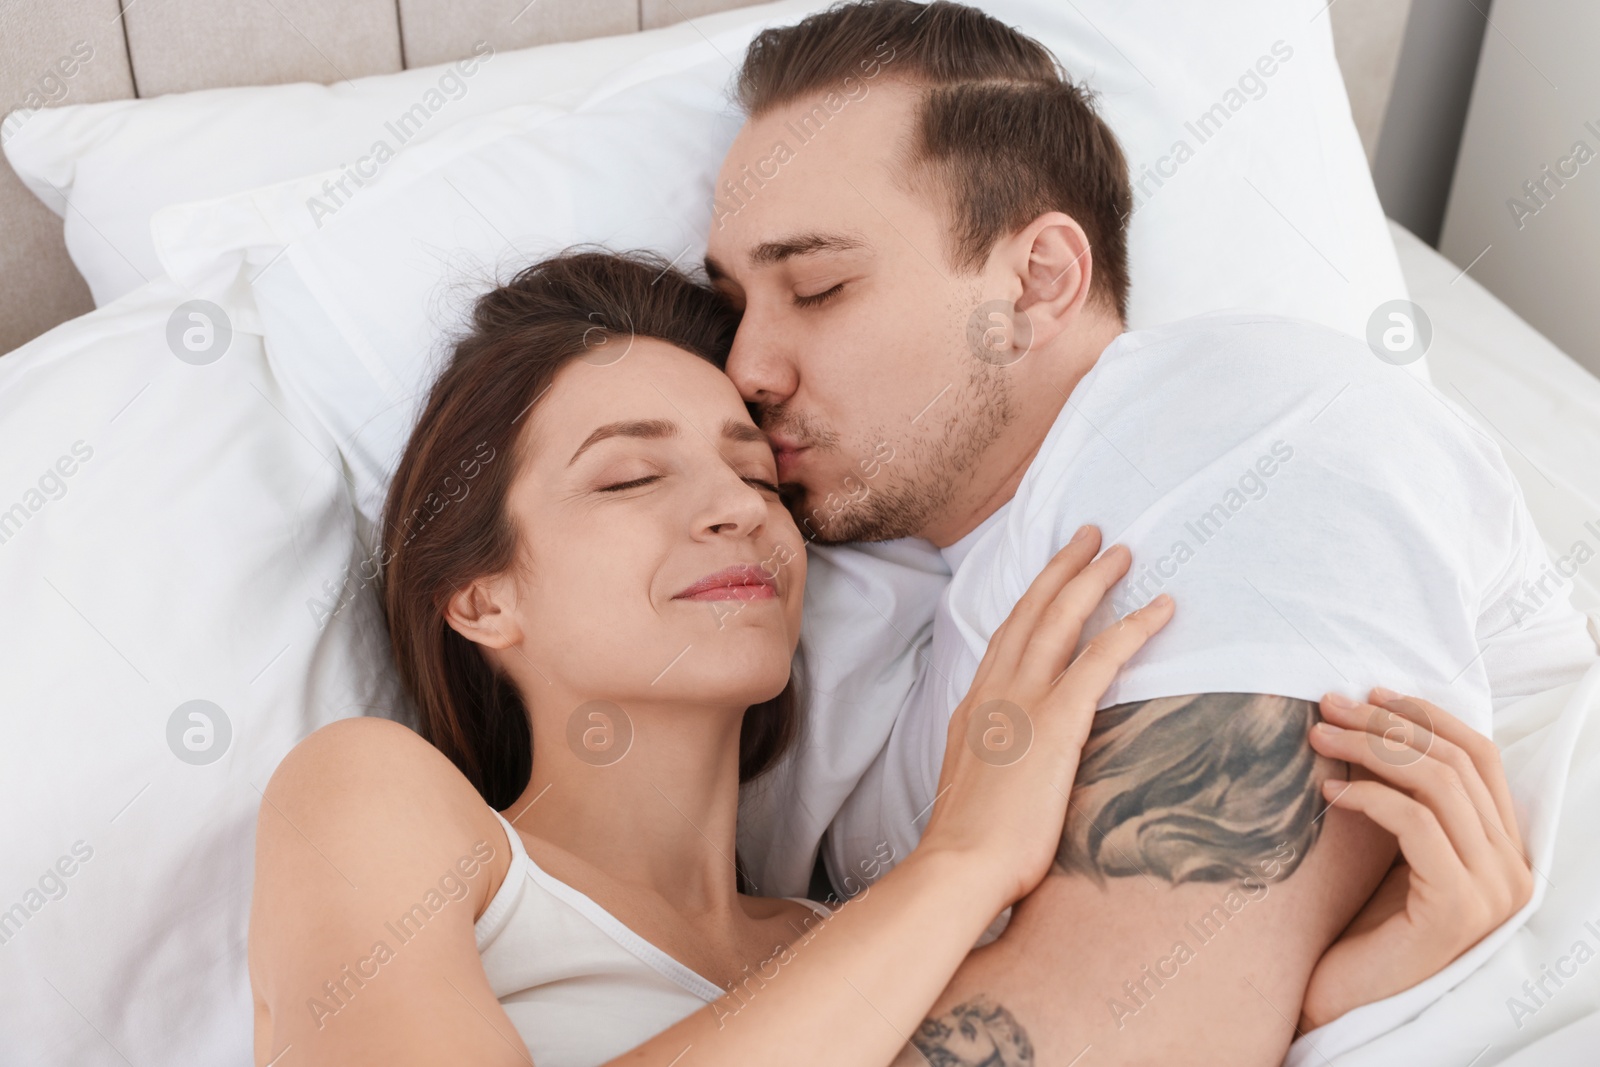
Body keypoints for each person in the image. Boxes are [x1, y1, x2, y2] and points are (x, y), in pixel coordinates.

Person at [704, 1, 1598, 1062]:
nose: (747, 368)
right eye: (732, 306)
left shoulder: (1242, 432)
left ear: (1037, 281)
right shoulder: (885, 652)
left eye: (818, 286)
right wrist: (1322, 1002)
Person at [247, 249, 1183, 1066]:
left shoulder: (861, 936)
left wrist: (1334, 973)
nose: (739, 510)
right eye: (632, 475)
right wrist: (965, 860)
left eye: (755, 475)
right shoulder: (373, 801)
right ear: (484, 597)